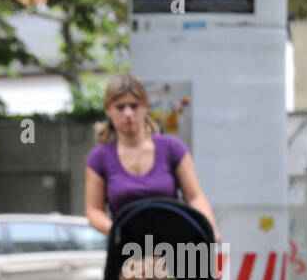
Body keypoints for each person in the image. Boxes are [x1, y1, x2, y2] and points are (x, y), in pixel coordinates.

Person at [84, 74, 220, 242]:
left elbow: (195, 196)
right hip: (127, 250)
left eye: (134, 106)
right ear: (108, 109)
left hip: (172, 246)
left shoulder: (173, 148)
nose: (128, 113)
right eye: (120, 107)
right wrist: (117, 230)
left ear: (145, 106)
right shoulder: (99, 158)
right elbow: (94, 210)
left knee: (194, 266)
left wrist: (209, 228)